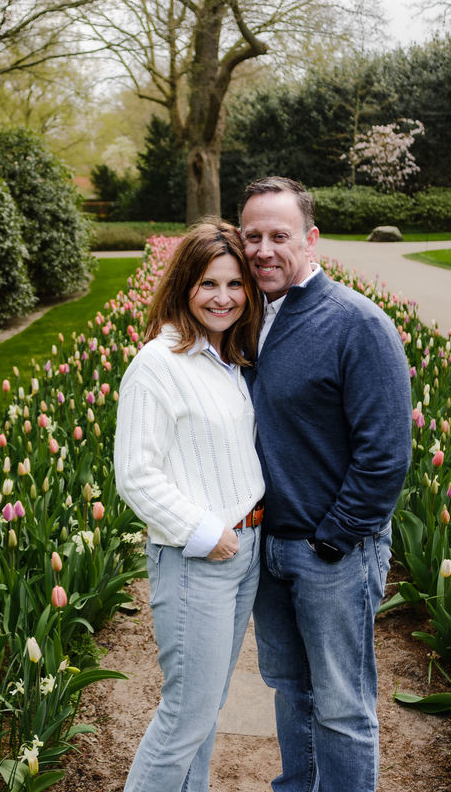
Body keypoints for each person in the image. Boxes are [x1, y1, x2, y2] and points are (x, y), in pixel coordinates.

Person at [239, 176, 412, 792]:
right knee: (289, 690)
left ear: (311, 240)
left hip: (331, 551)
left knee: (341, 705)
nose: (263, 249)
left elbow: (386, 454)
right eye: (251, 236)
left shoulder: (356, 324)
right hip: (270, 548)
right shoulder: (247, 318)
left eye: (279, 236)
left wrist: (332, 540)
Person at [113, 219, 266, 792]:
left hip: (244, 549)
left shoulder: (227, 359)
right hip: (198, 556)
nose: (223, 297)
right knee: (184, 717)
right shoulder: (158, 365)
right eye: (208, 284)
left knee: (205, 711)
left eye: (234, 285)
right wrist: (209, 532)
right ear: (183, 286)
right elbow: (135, 474)